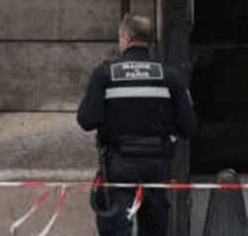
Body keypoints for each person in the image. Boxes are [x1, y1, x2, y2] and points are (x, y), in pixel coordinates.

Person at [77, 13, 197, 236]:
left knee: (116, 226)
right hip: (156, 164)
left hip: (118, 164)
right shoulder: (170, 75)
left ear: (125, 37)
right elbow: (189, 126)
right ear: (148, 39)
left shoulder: (104, 73)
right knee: (154, 227)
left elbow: (86, 120)